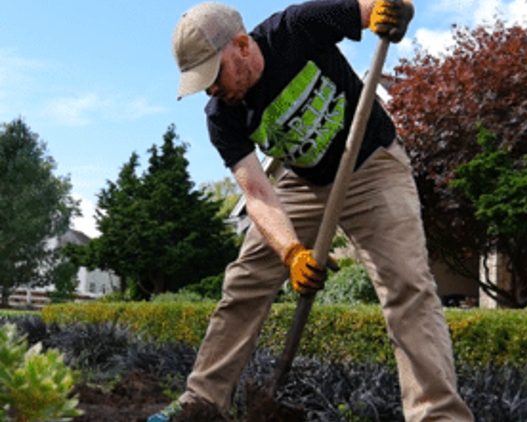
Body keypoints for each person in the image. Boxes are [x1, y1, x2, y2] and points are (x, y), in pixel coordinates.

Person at [148, 0, 475, 421]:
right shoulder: (222, 116)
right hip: (302, 179)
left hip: (372, 165)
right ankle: (202, 401)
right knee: (245, 280)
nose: (211, 89)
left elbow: (373, 8)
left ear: (243, 45)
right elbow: (258, 194)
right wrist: (291, 252)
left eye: (213, 75)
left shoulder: (295, 28)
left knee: (407, 285)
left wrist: (395, 12)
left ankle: (438, 415)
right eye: (201, 83)